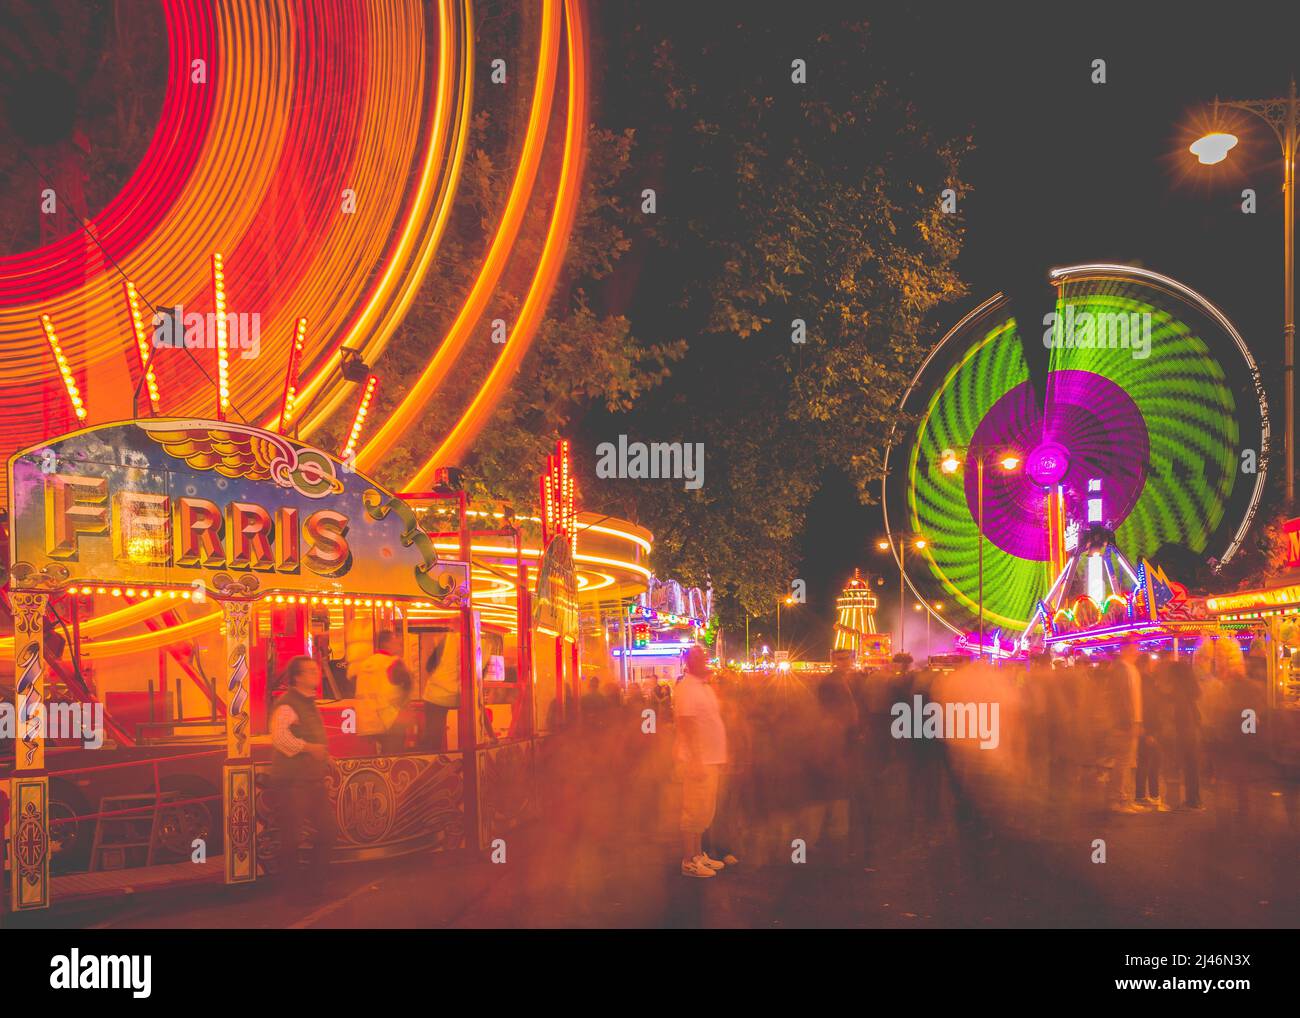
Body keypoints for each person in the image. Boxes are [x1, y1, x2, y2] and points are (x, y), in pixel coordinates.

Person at [269, 656, 336, 903]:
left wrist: (324, 755)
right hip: (293, 782)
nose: (315, 674)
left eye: (315, 670)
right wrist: (310, 748)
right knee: (291, 838)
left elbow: (304, 738)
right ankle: (293, 892)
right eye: (309, 671)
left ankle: (314, 886)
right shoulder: (288, 704)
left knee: (327, 832)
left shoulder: (307, 703)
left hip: (310, 780)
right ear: (297, 677)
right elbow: (280, 739)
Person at [674, 645, 728, 878]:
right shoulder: (687, 688)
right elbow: (686, 724)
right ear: (689, 662)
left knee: (705, 811)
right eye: (699, 657)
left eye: (704, 656)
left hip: (710, 758)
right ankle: (689, 860)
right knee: (694, 811)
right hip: (699, 760)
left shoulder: (702, 685)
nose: (704, 660)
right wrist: (695, 760)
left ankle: (697, 854)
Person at [354, 631, 414, 754]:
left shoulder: (364, 664)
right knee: (393, 760)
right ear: (386, 644)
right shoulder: (393, 662)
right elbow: (407, 685)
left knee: (379, 761)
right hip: (390, 720)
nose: (399, 643)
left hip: (367, 721)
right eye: (396, 641)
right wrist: (404, 707)